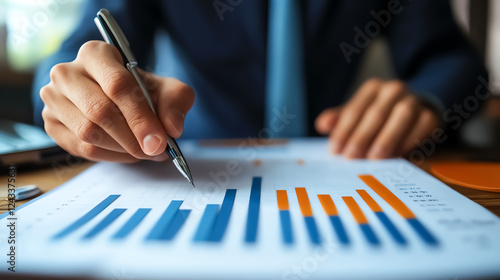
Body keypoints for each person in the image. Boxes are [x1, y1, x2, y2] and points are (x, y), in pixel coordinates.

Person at [32, 0, 487, 163]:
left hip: (340, 158)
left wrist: (426, 97)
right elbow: (75, 54)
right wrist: (78, 94)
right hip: (196, 152)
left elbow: (453, 60)